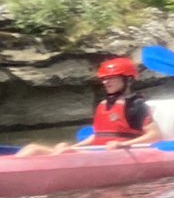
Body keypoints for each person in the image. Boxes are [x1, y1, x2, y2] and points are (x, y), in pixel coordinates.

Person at [13, 57, 162, 156]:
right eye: (104, 79)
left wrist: (123, 145)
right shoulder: (103, 105)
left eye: (111, 78)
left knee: (63, 152)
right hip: (97, 152)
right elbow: (98, 135)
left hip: (119, 153)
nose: (106, 82)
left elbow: (155, 135)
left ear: (128, 80)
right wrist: (76, 145)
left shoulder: (136, 105)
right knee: (33, 148)